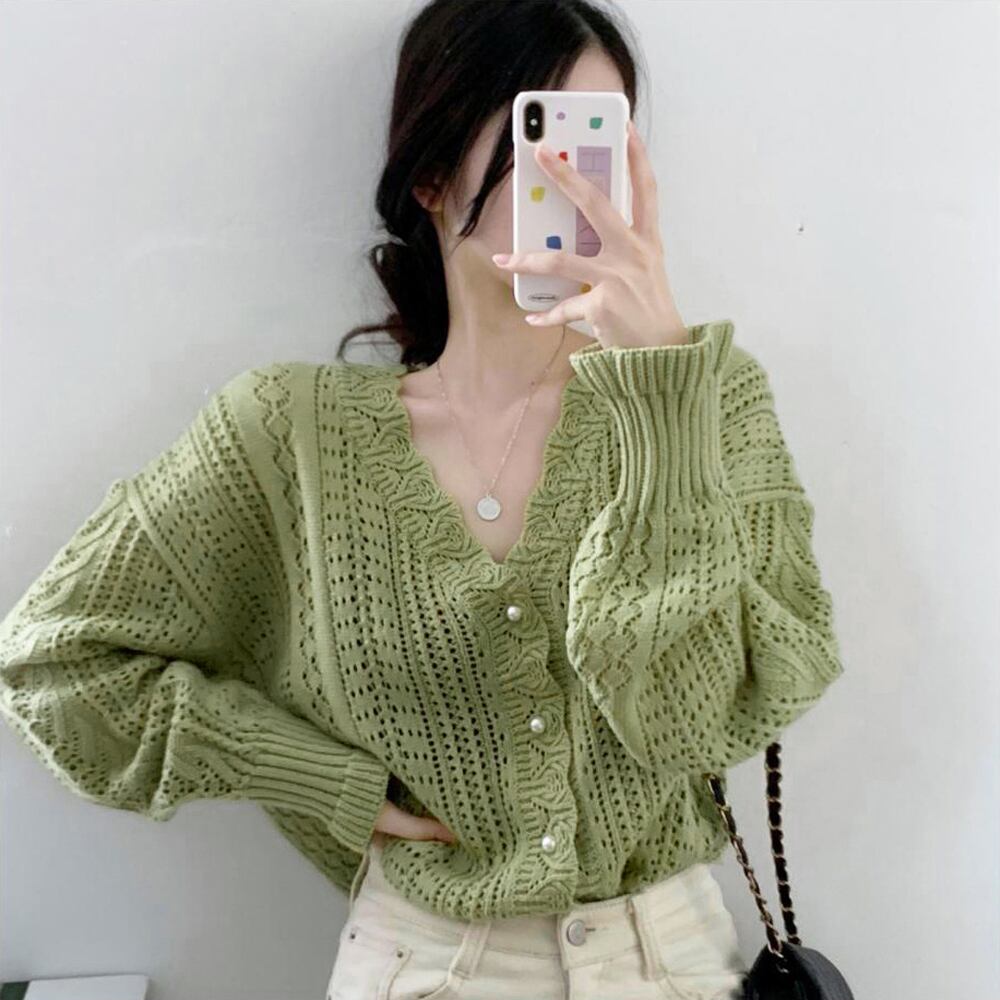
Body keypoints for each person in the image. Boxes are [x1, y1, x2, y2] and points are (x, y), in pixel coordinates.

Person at [0, 1, 845, 997]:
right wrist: (321, 780)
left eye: (606, 144)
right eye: (546, 142)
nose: (585, 189)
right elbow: (54, 666)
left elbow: (693, 726)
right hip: (424, 965)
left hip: (671, 962)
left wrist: (660, 390)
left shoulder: (709, 398)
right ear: (433, 176)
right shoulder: (289, 435)